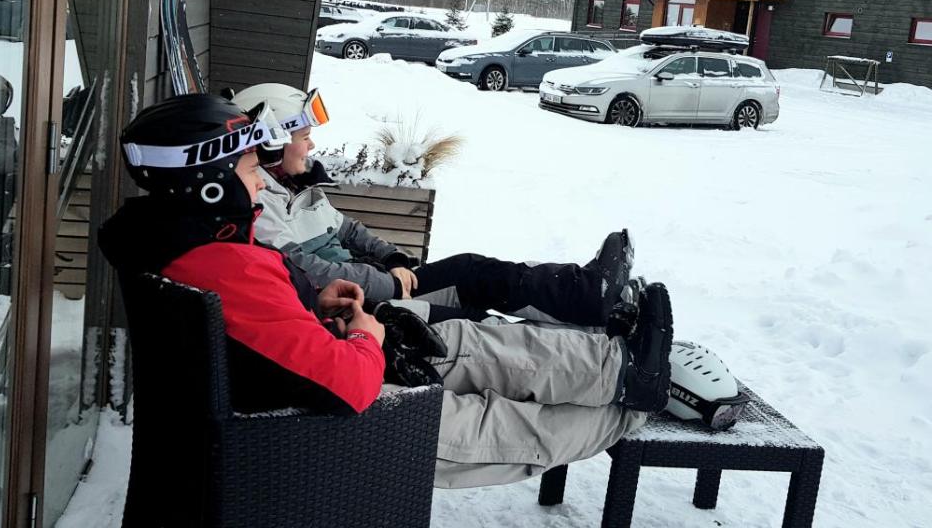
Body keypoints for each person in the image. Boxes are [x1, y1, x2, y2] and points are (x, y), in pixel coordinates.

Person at [98, 94, 674, 487]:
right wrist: (366, 337)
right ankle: (626, 407)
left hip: (297, 396)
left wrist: (317, 308)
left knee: (460, 339)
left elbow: (259, 332)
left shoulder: (179, 245)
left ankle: (617, 369)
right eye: (250, 171)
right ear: (208, 186)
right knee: (490, 418)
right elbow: (344, 383)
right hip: (315, 430)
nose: (259, 183)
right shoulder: (223, 265)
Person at [230, 82, 635, 330]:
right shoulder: (255, 202)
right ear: (272, 141)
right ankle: (596, 330)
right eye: (304, 136)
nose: (312, 145)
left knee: (474, 270)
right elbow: (307, 271)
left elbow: (348, 230)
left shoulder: (298, 186)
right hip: (362, 305)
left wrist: (391, 257)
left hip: (378, 284)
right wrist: (389, 284)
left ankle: (588, 295)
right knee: (475, 322)